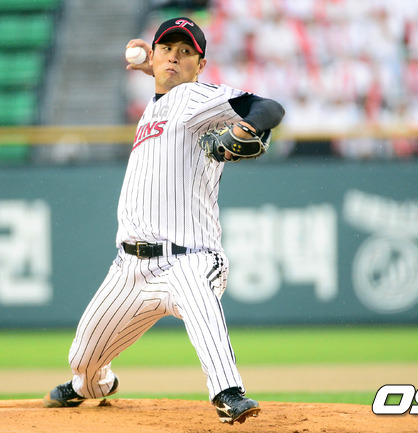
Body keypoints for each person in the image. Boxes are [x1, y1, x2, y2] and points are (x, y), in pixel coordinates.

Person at [43, 16, 285, 425]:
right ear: (154, 55)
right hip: (129, 269)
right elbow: (165, 86)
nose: (175, 56)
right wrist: (153, 69)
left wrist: (247, 126)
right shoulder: (157, 105)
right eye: (167, 49)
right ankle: (92, 385)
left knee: (196, 292)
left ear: (200, 65)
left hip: (188, 258)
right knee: (83, 358)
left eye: (186, 51)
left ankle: (228, 392)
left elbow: (269, 108)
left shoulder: (193, 96)